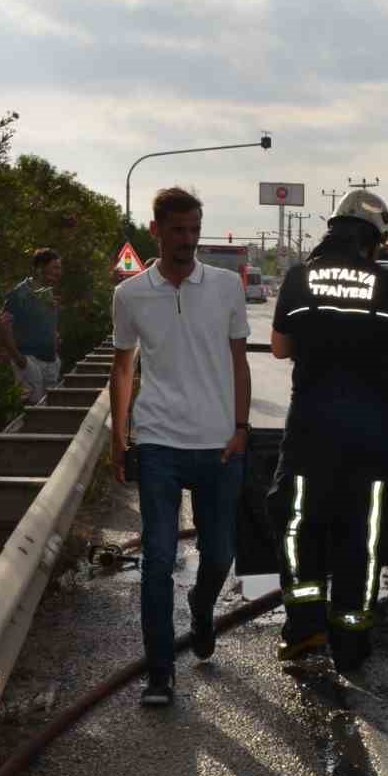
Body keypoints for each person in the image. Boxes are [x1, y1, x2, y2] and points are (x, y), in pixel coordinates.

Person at [268, 192, 388, 670]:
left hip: (311, 429)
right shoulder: (386, 285)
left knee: (299, 523)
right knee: (362, 534)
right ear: (374, 240)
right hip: (370, 432)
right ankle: (352, 644)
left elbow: (280, 349)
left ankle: (304, 629)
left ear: (333, 227)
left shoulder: (300, 278)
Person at [109, 187, 252, 706]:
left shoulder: (224, 287)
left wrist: (241, 427)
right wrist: (118, 438)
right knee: (157, 557)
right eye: (177, 231)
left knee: (220, 554)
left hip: (219, 444)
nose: (188, 240)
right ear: (156, 231)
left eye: (194, 230)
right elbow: (123, 368)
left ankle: (200, 604)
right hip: (159, 443)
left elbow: (240, 360)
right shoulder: (130, 295)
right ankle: (160, 673)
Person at [0, 248, 63, 404]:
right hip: (29, 361)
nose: (59, 272)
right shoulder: (19, 294)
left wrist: (54, 337)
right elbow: (3, 326)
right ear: (40, 268)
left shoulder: (48, 293)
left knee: (51, 410)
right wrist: (20, 360)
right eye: (55, 267)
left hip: (51, 361)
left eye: (59, 268)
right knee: (35, 411)